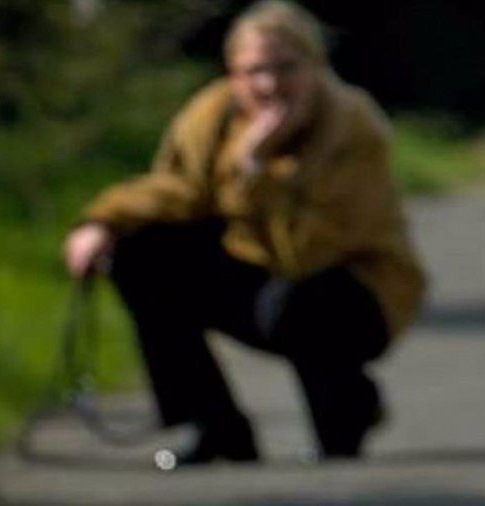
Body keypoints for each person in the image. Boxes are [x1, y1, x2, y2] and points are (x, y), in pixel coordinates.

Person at [62, 0, 425, 468]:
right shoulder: (213, 115)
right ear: (233, 75)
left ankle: (345, 414)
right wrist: (102, 222)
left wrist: (258, 172)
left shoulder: (353, 129)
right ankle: (216, 426)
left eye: (286, 68)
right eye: (254, 71)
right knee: (143, 253)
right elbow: (180, 191)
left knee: (297, 304)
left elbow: (307, 252)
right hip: (264, 279)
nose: (269, 85)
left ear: (317, 68)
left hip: (353, 292)